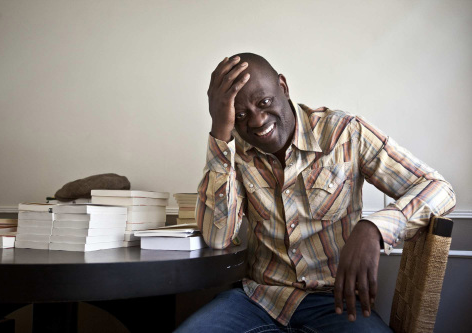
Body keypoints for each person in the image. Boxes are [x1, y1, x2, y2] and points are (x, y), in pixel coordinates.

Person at [175, 53, 456, 332]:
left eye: (264, 102)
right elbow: (217, 238)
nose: (257, 120)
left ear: (283, 87)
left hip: (335, 304)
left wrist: (374, 227)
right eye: (241, 114)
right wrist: (220, 135)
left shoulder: (345, 133)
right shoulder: (233, 152)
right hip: (258, 301)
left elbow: (438, 188)